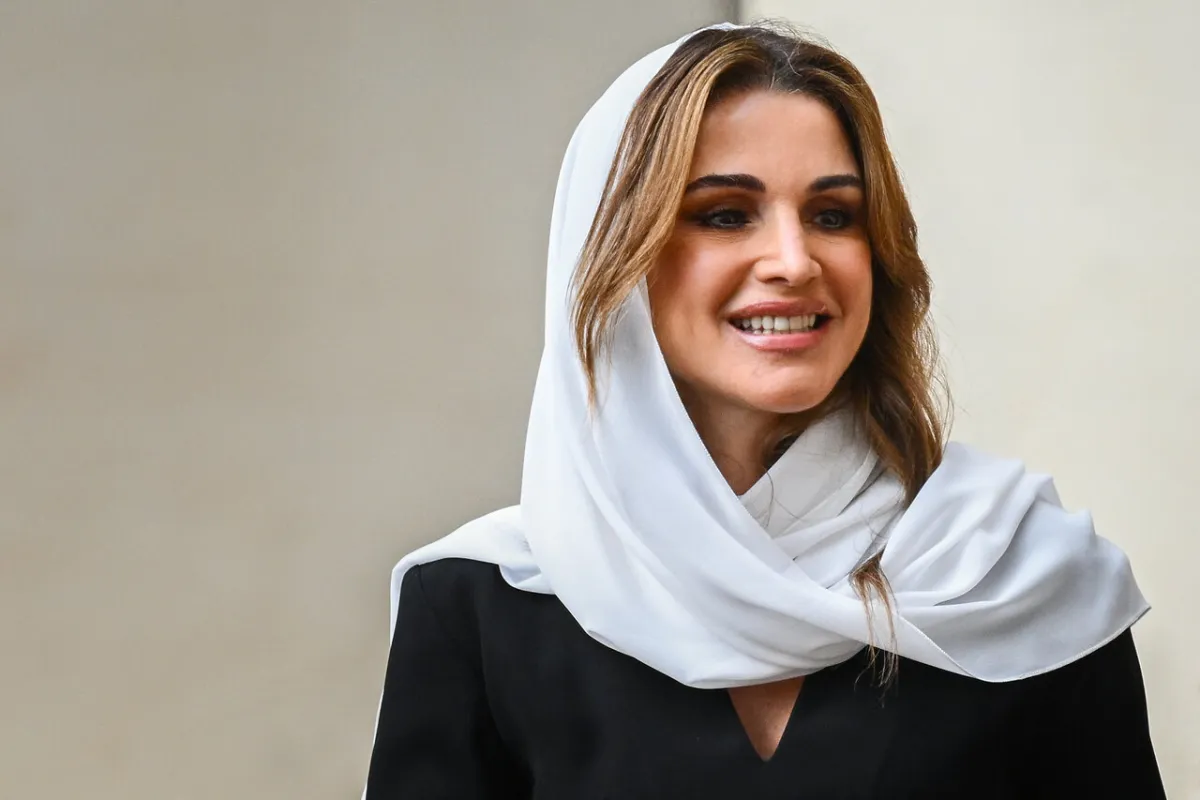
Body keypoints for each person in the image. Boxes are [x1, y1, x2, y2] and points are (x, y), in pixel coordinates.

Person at [363, 22, 1164, 798]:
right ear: (614, 256)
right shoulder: (477, 605)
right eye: (724, 214)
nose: (793, 261)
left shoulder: (1016, 576)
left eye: (832, 215)